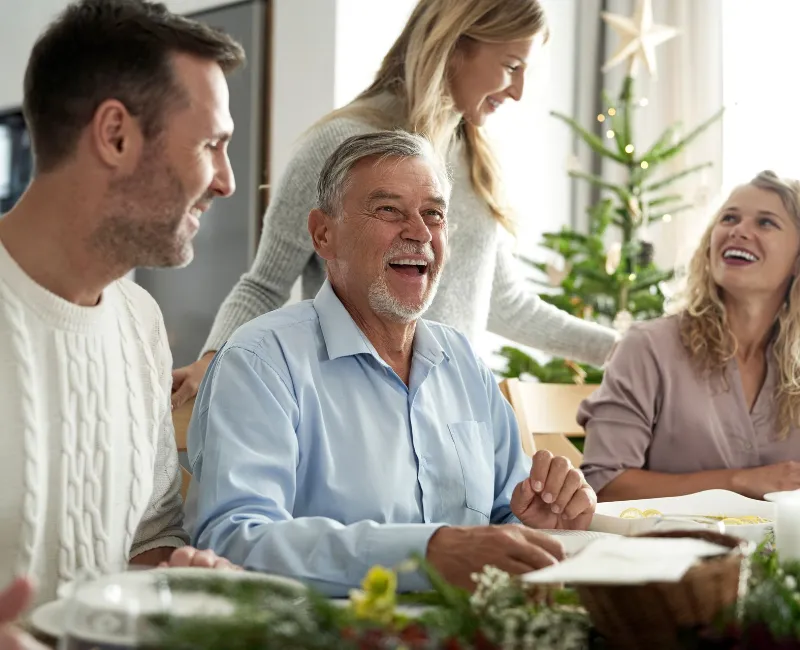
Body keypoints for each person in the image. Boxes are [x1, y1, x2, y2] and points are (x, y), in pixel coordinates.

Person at [187, 131, 596, 595]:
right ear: (324, 233)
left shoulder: (464, 364)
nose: (419, 233)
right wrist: (427, 555)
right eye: (389, 211)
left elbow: (510, 513)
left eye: (434, 214)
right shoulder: (262, 361)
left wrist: (541, 520)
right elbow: (235, 538)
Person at [170, 0, 619, 410]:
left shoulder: (474, 161)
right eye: (511, 65)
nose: (519, 90)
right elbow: (264, 284)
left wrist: (619, 348)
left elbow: (505, 305)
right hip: (353, 410)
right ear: (455, 45)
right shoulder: (340, 144)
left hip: (450, 416)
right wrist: (213, 359)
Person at [0, 0, 245, 611]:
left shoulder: (141, 323)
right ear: (115, 135)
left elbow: (146, 537)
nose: (226, 181)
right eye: (211, 144)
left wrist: (177, 578)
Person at [578, 171, 800, 502]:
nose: (739, 231)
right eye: (729, 218)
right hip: (666, 551)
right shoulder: (648, 347)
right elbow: (605, 485)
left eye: (766, 223)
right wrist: (740, 481)